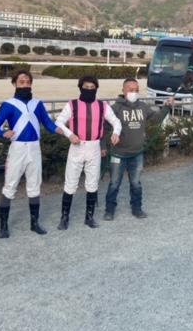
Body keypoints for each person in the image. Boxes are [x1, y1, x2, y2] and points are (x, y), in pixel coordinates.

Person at [0, 70, 64, 238]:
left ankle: (34, 223)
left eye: (28, 82)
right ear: (14, 84)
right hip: (17, 149)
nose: (25, 85)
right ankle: (3, 226)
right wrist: (3, 133)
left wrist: (58, 130)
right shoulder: (8, 104)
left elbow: (47, 122)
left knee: (34, 185)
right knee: (10, 186)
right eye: (21, 82)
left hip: (34, 148)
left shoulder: (37, 103)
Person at [55, 76, 122, 230]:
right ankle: (64, 218)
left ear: (96, 89)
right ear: (80, 88)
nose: (89, 90)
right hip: (77, 147)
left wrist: (116, 132)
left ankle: (89, 217)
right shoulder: (72, 104)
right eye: (86, 87)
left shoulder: (103, 106)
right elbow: (59, 122)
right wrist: (69, 134)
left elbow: (116, 121)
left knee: (92, 183)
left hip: (94, 147)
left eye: (93, 88)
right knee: (70, 183)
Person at [103, 78, 174, 220]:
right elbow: (104, 128)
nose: (134, 92)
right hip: (118, 154)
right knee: (114, 183)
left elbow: (156, 119)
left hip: (137, 153)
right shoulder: (115, 108)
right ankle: (109, 210)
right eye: (131, 90)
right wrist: (103, 146)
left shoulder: (143, 106)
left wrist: (167, 106)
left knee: (136, 184)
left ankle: (137, 208)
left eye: (136, 90)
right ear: (123, 91)